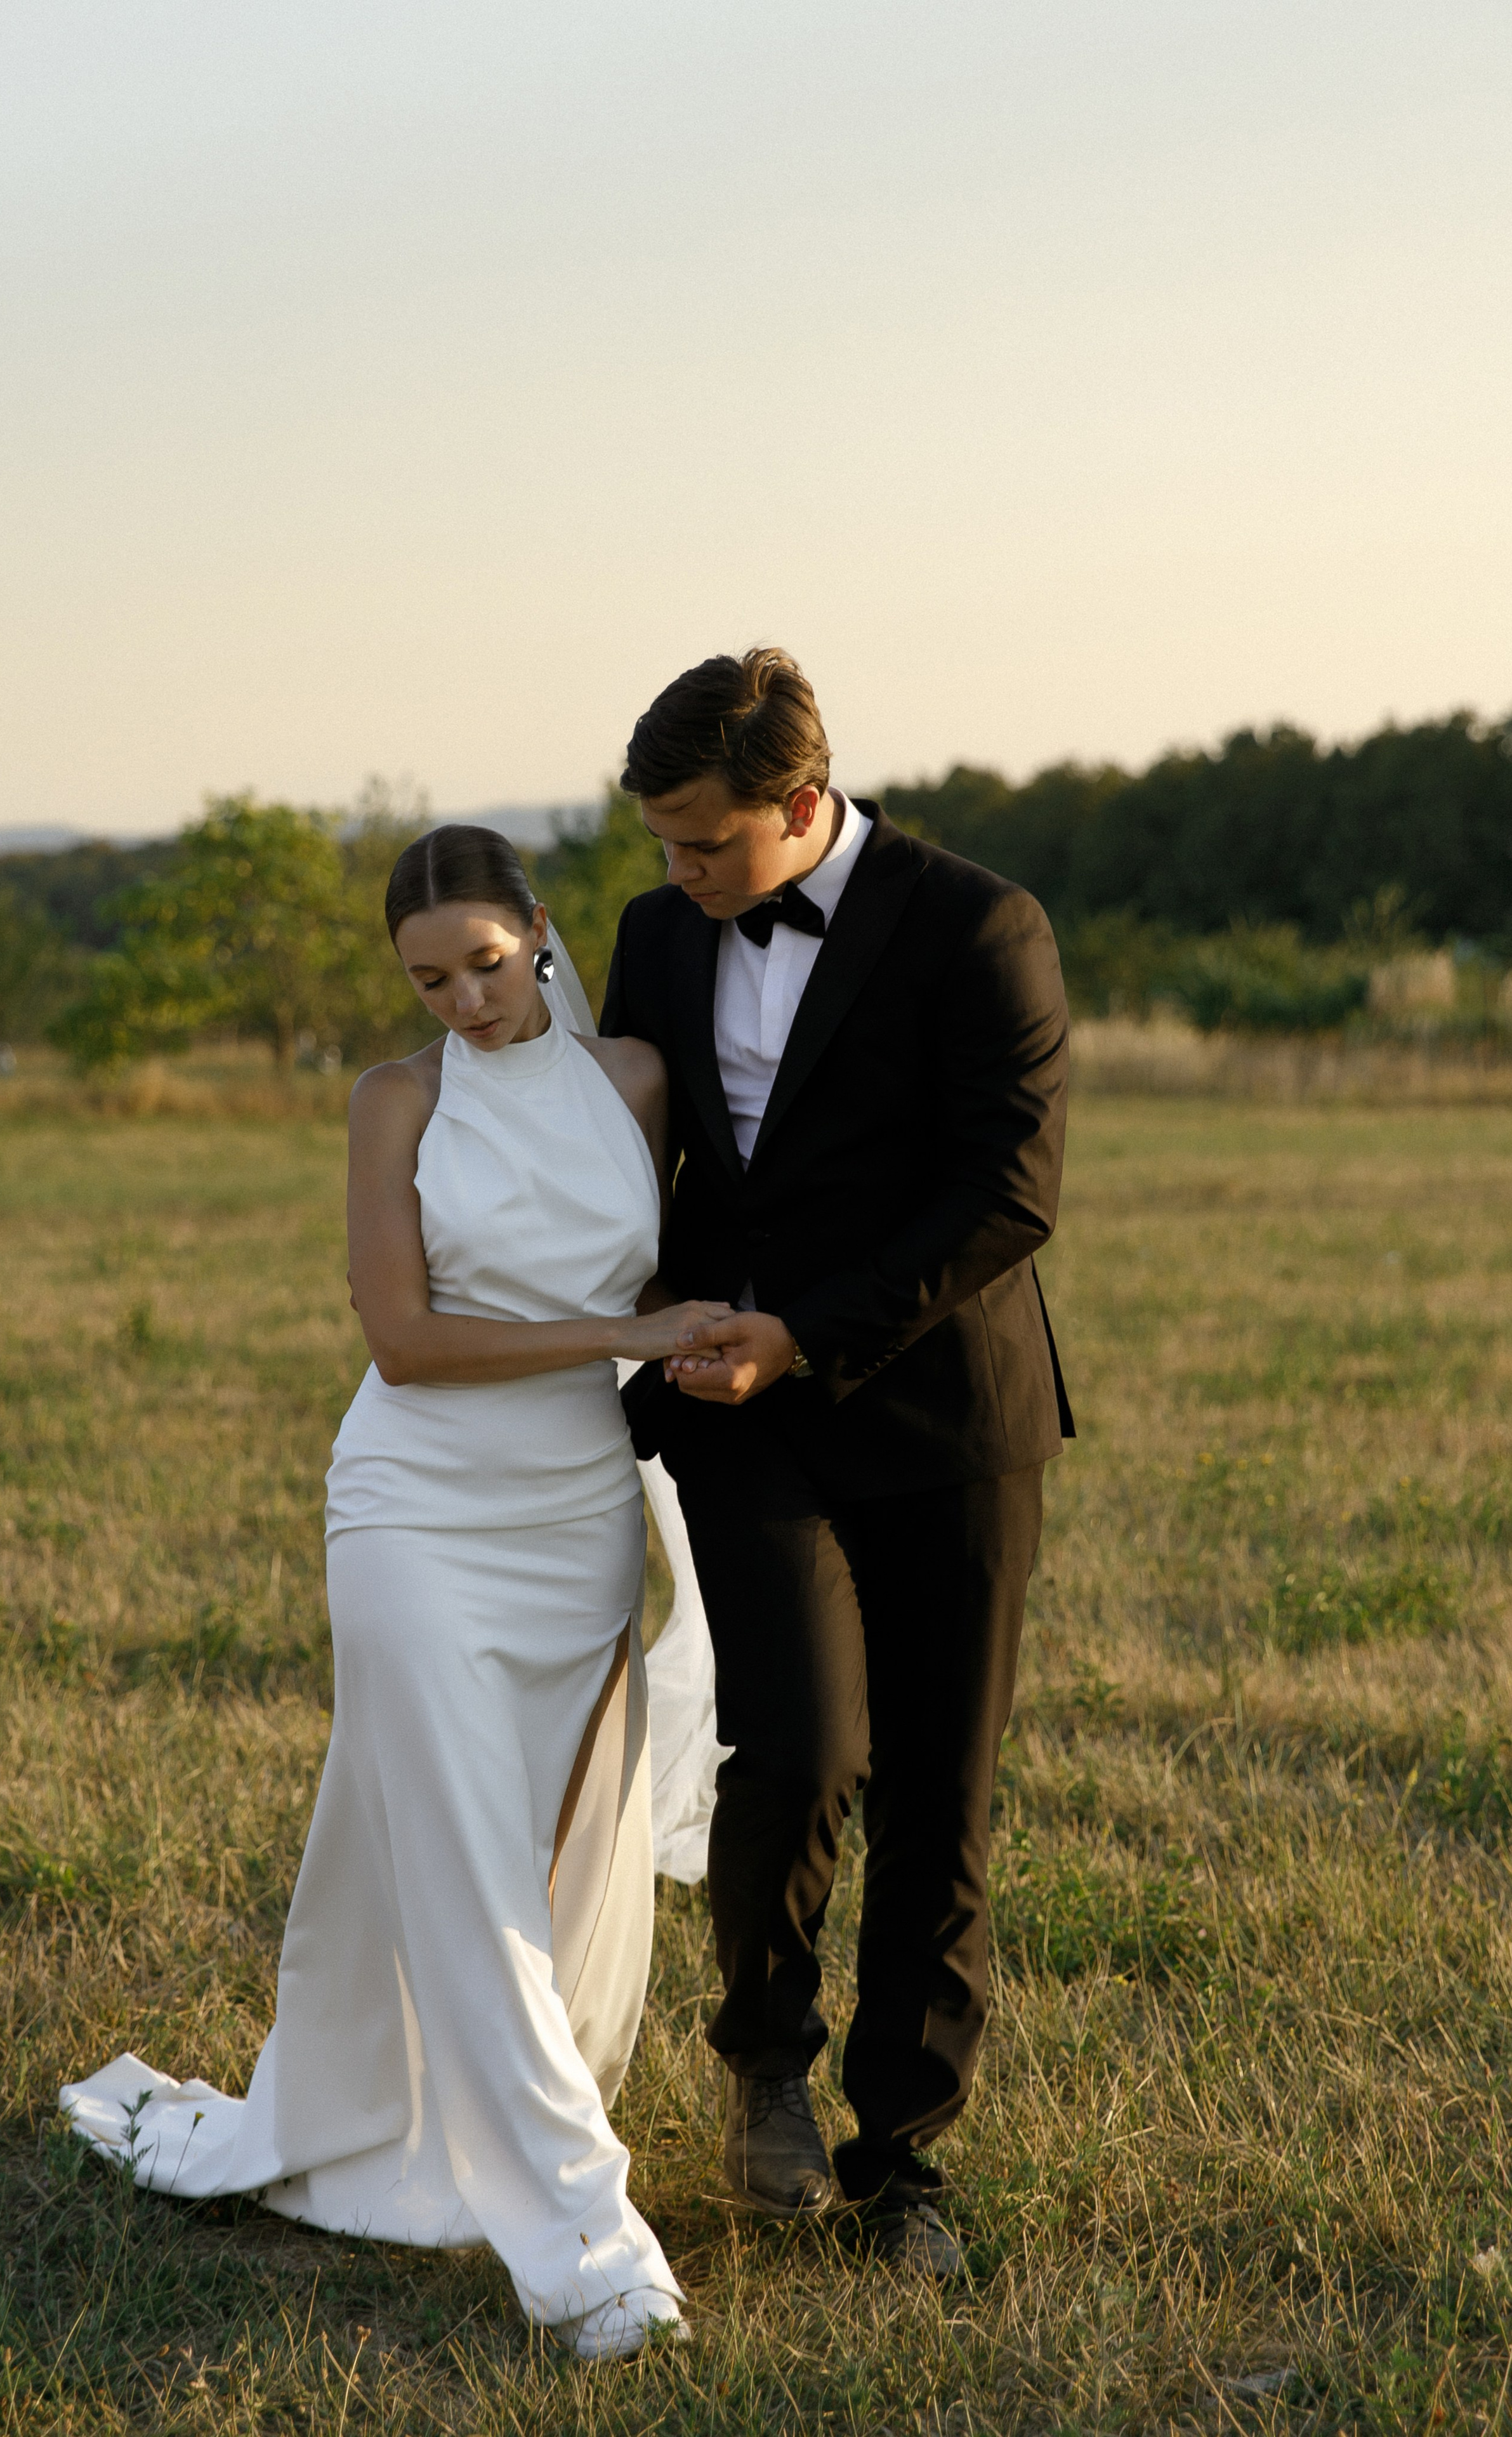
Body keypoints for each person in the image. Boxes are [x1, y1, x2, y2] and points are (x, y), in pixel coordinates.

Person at [61, 826, 728, 2361]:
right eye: (428, 981)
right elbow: (406, 1340)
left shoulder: (633, 1080)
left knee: (542, 1856)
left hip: (574, 1516)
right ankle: (590, 2249)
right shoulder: (394, 1101)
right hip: (412, 1507)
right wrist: (621, 1336)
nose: (463, 1003)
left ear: (538, 930)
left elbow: (658, 1274)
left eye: (484, 966)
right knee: (466, 1854)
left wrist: (684, 1340)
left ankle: (451, 2125)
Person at [601, 647, 1072, 2278]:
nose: (679, 873)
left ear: (801, 801)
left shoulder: (980, 924)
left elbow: (1007, 1192)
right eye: (662, 843)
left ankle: (901, 2163)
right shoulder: (657, 932)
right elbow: (626, 1159)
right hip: (741, 1416)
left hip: (947, 1419)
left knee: (939, 1789)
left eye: (705, 842)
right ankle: (762, 2066)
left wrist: (805, 1329)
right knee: (795, 1750)